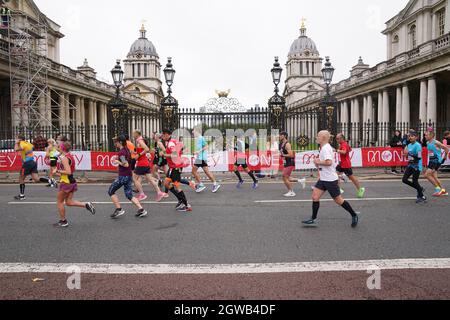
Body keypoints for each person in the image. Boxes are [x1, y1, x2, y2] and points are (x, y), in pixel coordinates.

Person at [302, 131, 360, 228]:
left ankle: (354, 215)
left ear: (323, 137)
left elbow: (329, 162)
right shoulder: (323, 147)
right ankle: (313, 219)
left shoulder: (326, 148)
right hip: (323, 178)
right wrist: (318, 163)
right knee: (315, 197)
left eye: (318, 136)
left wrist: (318, 161)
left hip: (330, 179)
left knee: (338, 200)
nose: (316, 137)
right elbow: (325, 163)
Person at [54, 141, 95, 228]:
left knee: (59, 202)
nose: (58, 148)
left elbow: (68, 172)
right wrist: (59, 172)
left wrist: (57, 171)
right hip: (71, 181)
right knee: (69, 202)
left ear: (62, 148)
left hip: (66, 182)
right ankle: (86, 204)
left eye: (59, 147)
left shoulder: (65, 158)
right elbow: (72, 169)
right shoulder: (70, 156)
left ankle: (63, 221)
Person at [109, 136, 148, 219]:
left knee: (111, 191)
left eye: (116, 142)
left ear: (120, 142)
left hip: (123, 176)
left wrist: (117, 161)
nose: (115, 143)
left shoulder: (121, 152)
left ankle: (119, 209)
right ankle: (141, 209)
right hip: (128, 175)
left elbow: (125, 164)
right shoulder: (126, 150)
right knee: (129, 195)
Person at [162, 129, 192, 212]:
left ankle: (186, 205)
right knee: (166, 183)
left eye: (163, 135)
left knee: (177, 185)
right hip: (174, 166)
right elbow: (182, 147)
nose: (163, 136)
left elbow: (174, 154)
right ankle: (181, 200)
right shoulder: (173, 141)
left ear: (167, 134)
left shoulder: (171, 143)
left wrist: (164, 155)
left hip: (175, 166)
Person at [132, 130, 167, 202]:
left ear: (137, 134)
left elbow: (146, 149)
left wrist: (138, 155)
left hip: (141, 163)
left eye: (134, 133)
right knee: (150, 179)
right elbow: (143, 150)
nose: (133, 135)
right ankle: (159, 192)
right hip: (145, 163)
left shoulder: (139, 140)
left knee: (135, 178)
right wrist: (135, 152)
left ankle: (142, 194)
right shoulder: (140, 140)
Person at [14, 135, 47, 201]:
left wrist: (17, 143)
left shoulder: (22, 143)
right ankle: (49, 180)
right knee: (36, 179)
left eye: (16, 138)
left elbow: (16, 149)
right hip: (33, 162)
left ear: (20, 139)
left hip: (27, 163)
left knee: (21, 178)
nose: (15, 139)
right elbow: (32, 147)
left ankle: (22, 195)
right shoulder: (28, 143)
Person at [192, 127, 221, 193]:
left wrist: (198, 151)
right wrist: (196, 152)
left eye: (193, 130)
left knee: (193, 171)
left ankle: (201, 184)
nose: (192, 132)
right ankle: (215, 184)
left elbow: (207, 146)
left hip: (201, 158)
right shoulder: (198, 138)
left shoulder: (201, 138)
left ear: (197, 131)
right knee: (206, 171)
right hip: (202, 158)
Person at [335, 133, 365, 198]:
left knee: (352, 178)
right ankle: (338, 189)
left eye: (337, 138)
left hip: (346, 165)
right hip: (341, 164)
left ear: (341, 138)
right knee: (335, 175)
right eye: (336, 138)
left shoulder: (344, 144)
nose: (336, 140)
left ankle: (360, 189)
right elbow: (349, 150)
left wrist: (337, 150)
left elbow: (344, 152)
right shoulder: (343, 144)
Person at [402, 130, 427, 204]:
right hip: (410, 165)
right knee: (404, 180)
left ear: (416, 137)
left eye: (412, 136)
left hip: (417, 166)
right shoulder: (409, 145)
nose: (410, 137)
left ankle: (422, 196)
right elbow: (409, 157)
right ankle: (420, 188)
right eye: (409, 136)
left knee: (415, 181)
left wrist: (409, 153)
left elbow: (419, 157)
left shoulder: (418, 145)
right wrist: (406, 156)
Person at [279, 132, 305, 197]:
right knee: (287, 178)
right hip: (286, 162)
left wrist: (282, 155)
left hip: (290, 162)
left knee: (284, 177)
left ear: (284, 136)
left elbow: (291, 155)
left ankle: (291, 192)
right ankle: (301, 180)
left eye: (280, 135)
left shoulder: (287, 144)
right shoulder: (281, 144)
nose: (279, 136)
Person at [424, 131, 449, 197]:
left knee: (427, 175)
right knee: (434, 177)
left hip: (436, 161)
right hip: (431, 161)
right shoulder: (427, 143)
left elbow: (446, 148)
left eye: (426, 135)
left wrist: (445, 156)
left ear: (431, 136)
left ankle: (438, 189)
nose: (425, 136)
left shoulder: (436, 142)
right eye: (425, 135)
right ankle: (443, 190)